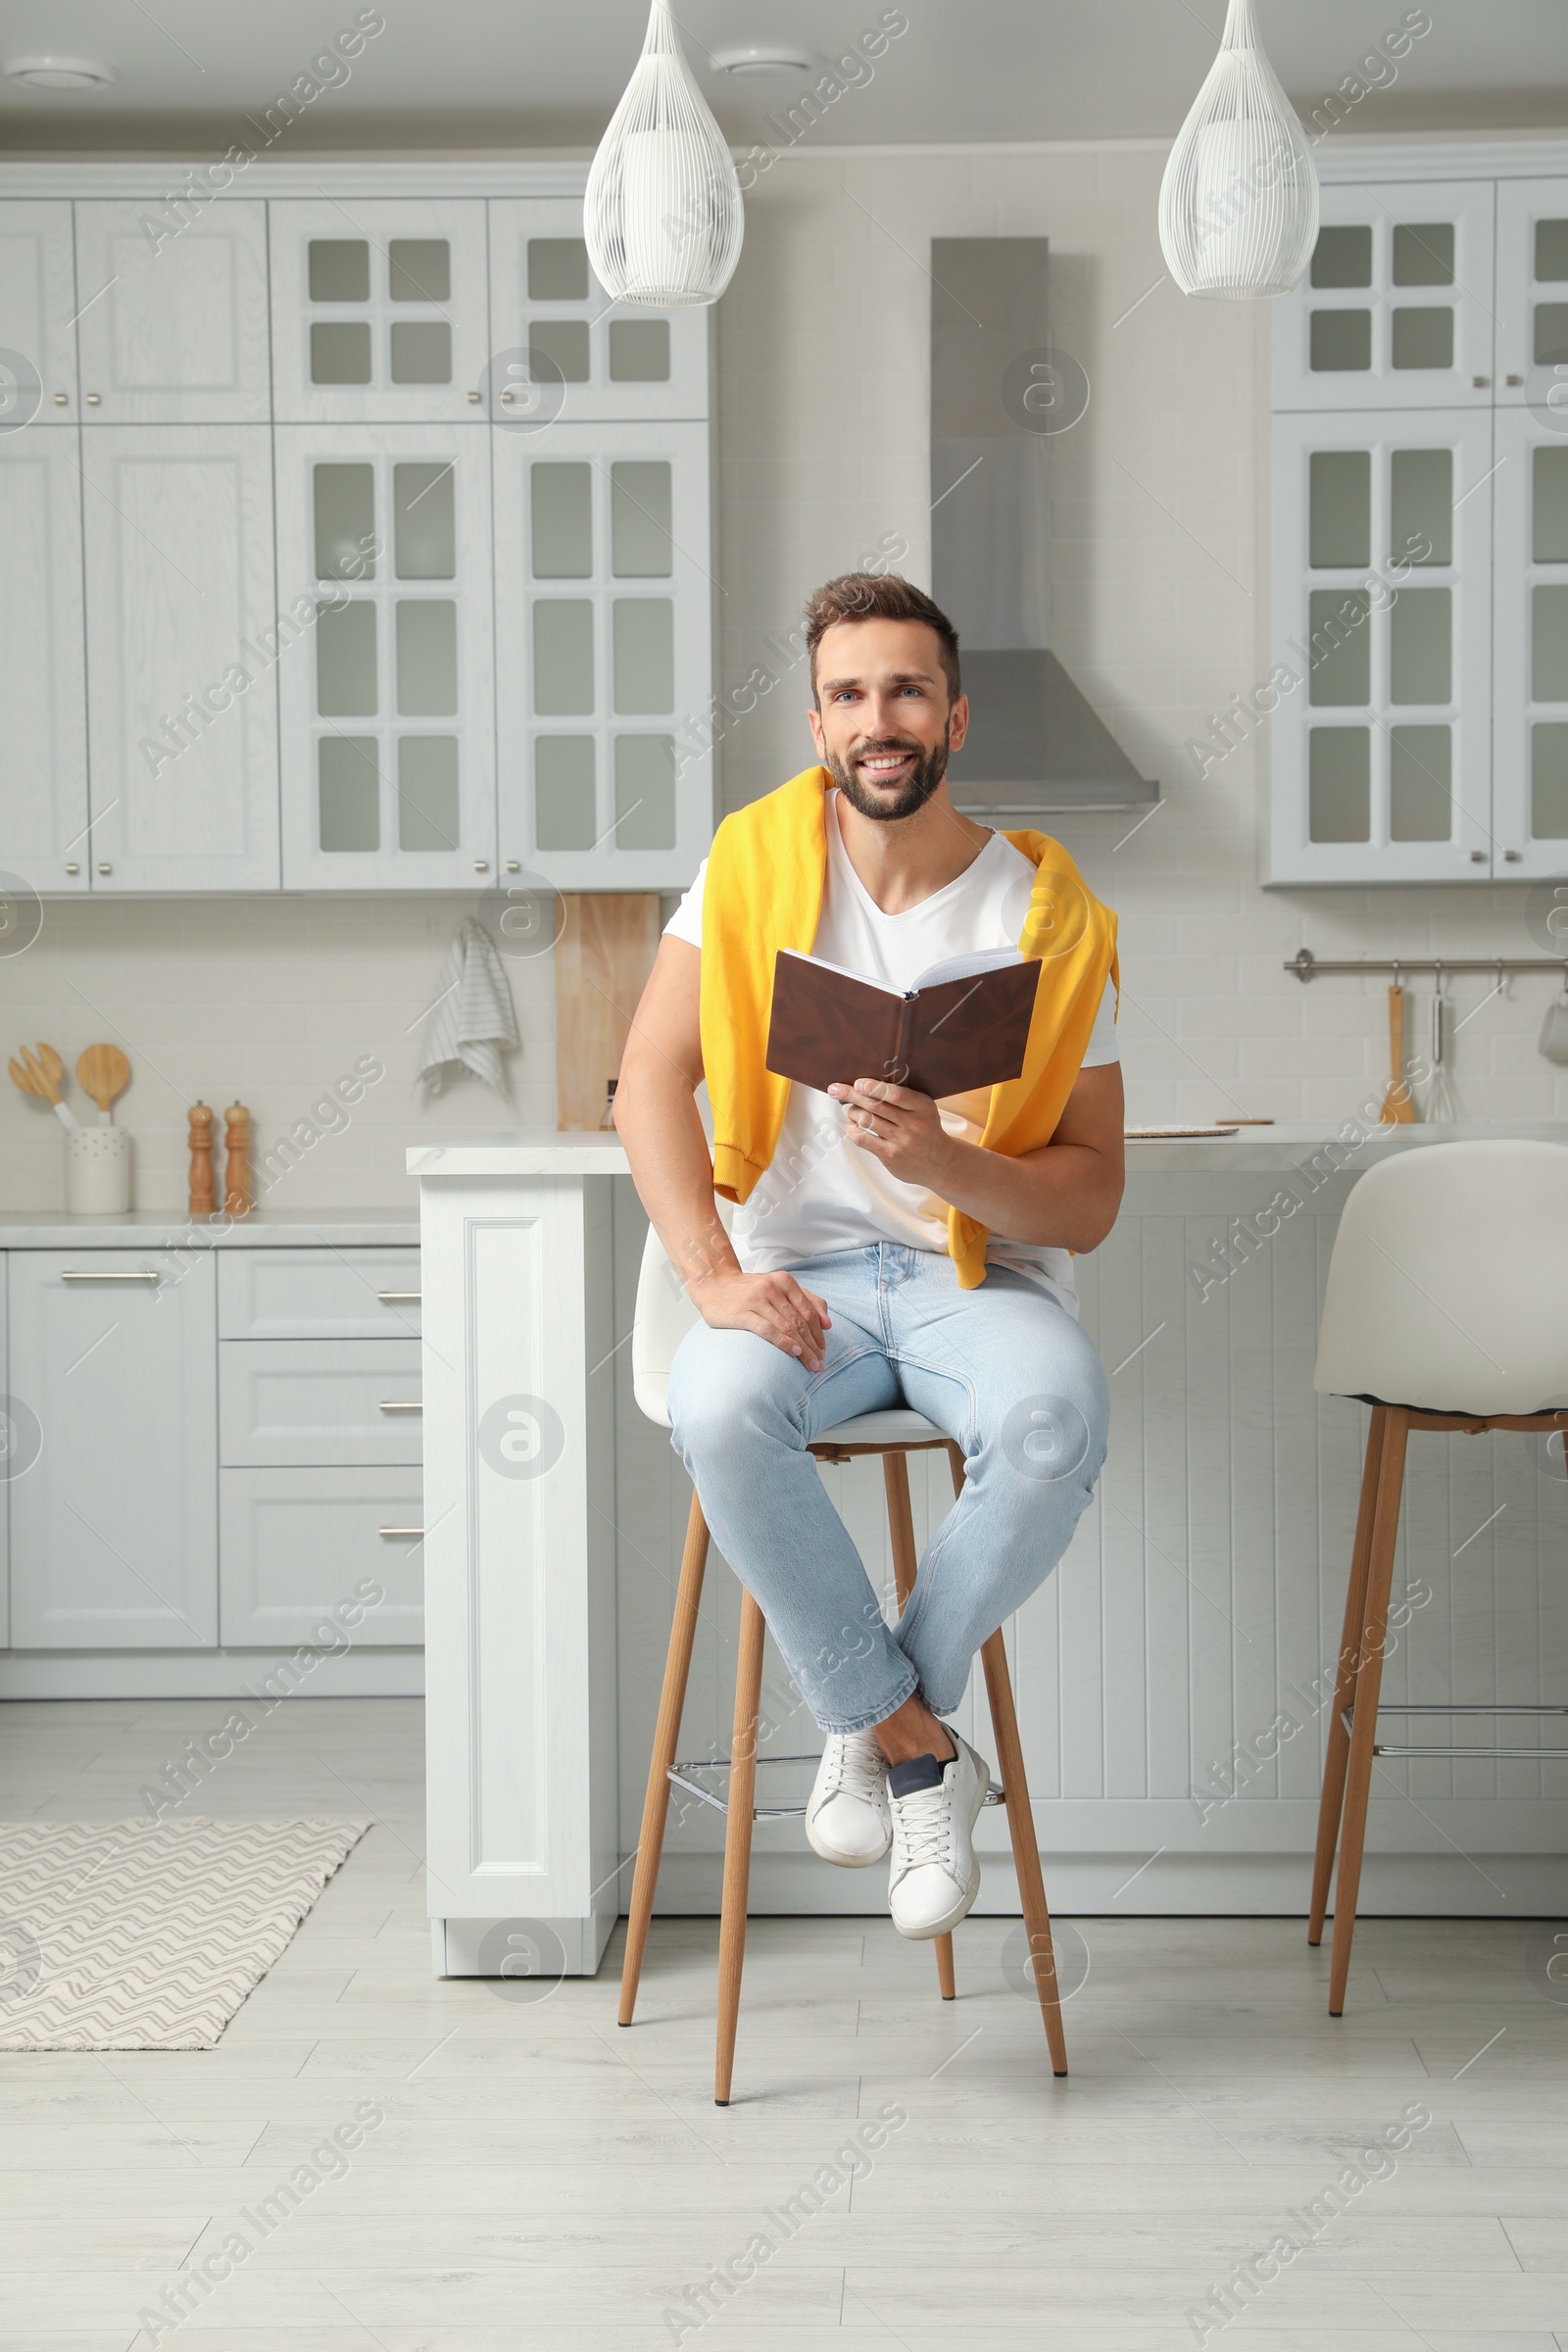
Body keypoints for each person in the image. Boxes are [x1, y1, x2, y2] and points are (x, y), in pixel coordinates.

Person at [614, 572, 1123, 1941]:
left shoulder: (1047, 920)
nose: (877, 718)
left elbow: (1087, 1204)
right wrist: (715, 1279)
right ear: (818, 720)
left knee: (1053, 1421)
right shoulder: (746, 867)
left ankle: (880, 1716)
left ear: (954, 715)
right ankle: (917, 1747)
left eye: (905, 689)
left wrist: (941, 1161)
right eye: (849, 693)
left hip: (976, 1284)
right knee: (718, 1408)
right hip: (804, 1284)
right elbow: (645, 1082)